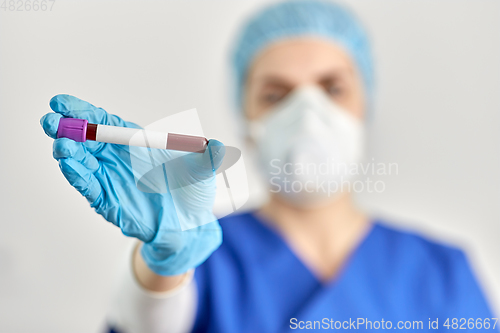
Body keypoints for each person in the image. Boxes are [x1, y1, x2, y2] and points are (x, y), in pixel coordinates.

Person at [40, 1, 497, 332]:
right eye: (276, 96)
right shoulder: (208, 254)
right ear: (247, 121)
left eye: (332, 88)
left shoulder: (441, 273)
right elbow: (145, 323)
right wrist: (162, 262)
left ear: (366, 106)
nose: (308, 113)